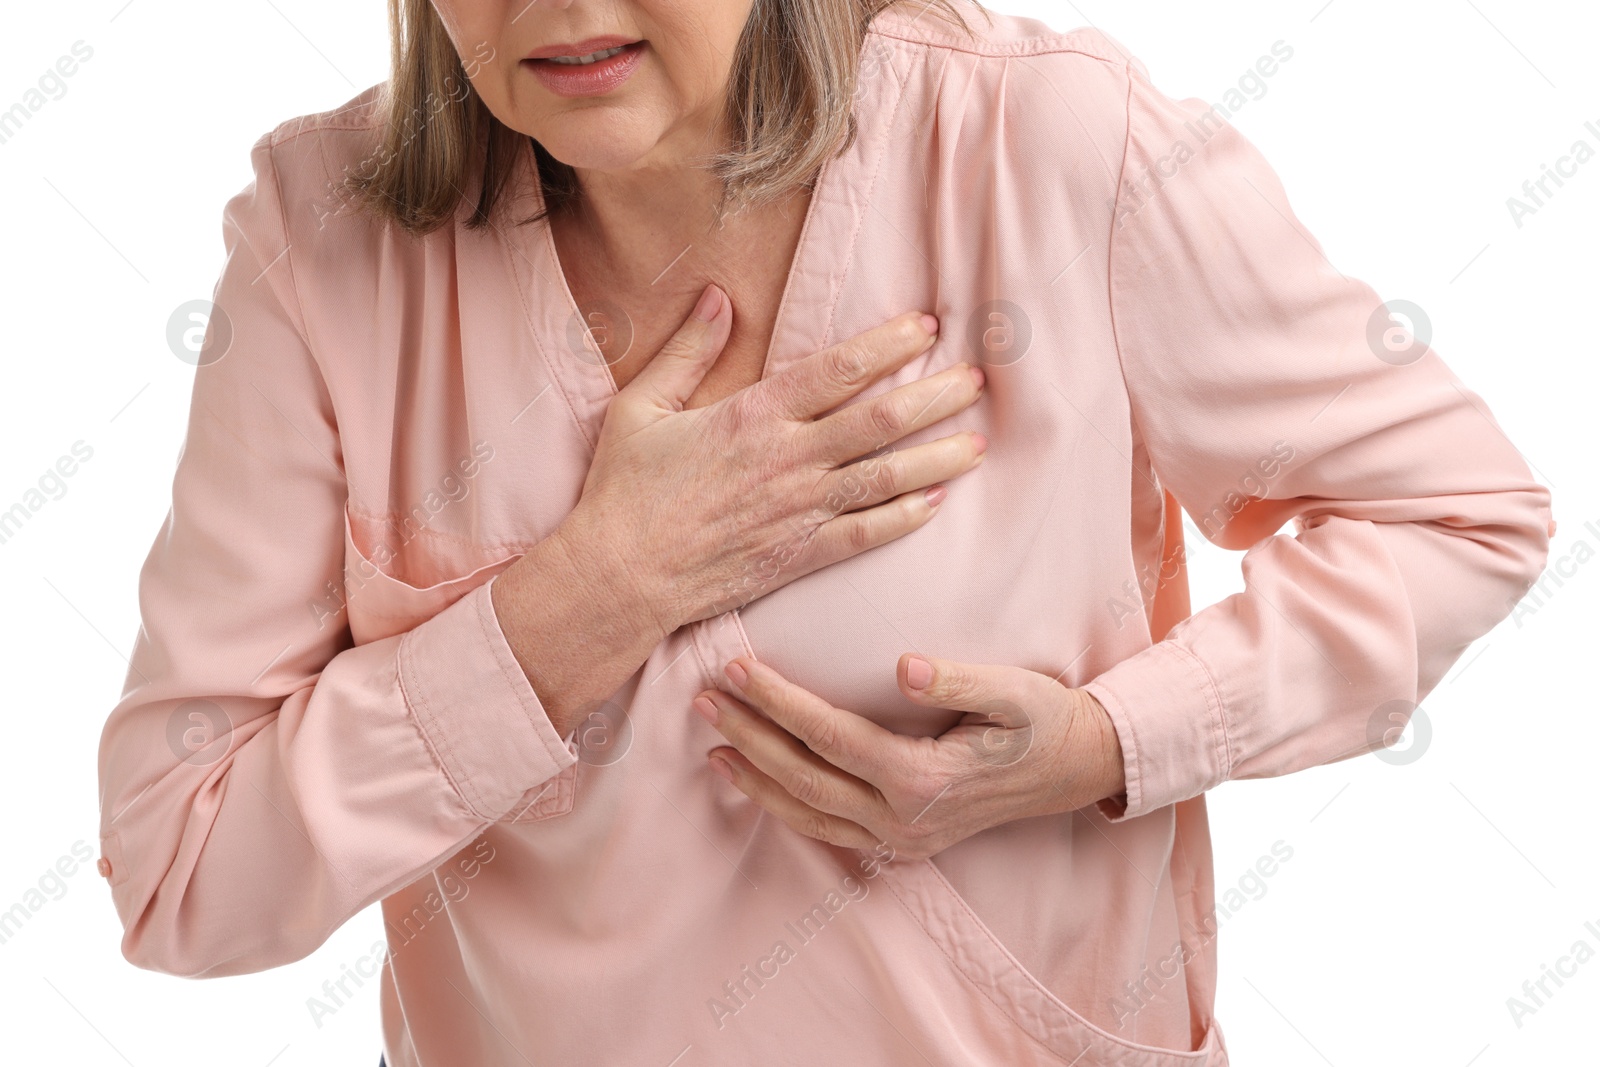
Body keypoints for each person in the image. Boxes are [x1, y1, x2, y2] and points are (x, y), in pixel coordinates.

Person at [95, 0, 1552, 1063]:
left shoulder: (1050, 139)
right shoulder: (321, 237)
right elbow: (183, 873)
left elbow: (1458, 516)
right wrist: (595, 590)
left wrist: (1108, 745)